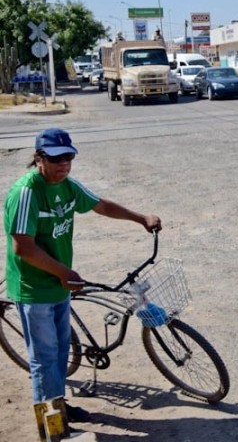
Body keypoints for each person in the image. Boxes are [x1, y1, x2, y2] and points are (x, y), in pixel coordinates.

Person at [4, 128, 161, 432]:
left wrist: (140, 218)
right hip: (34, 290)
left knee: (61, 353)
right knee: (44, 360)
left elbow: (101, 205)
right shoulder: (26, 192)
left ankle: (58, 406)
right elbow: (23, 247)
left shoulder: (66, 186)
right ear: (39, 158)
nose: (64, 164)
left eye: (68, 157)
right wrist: (65, 273)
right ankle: (51, 428)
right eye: (56, 158)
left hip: (60, 285)